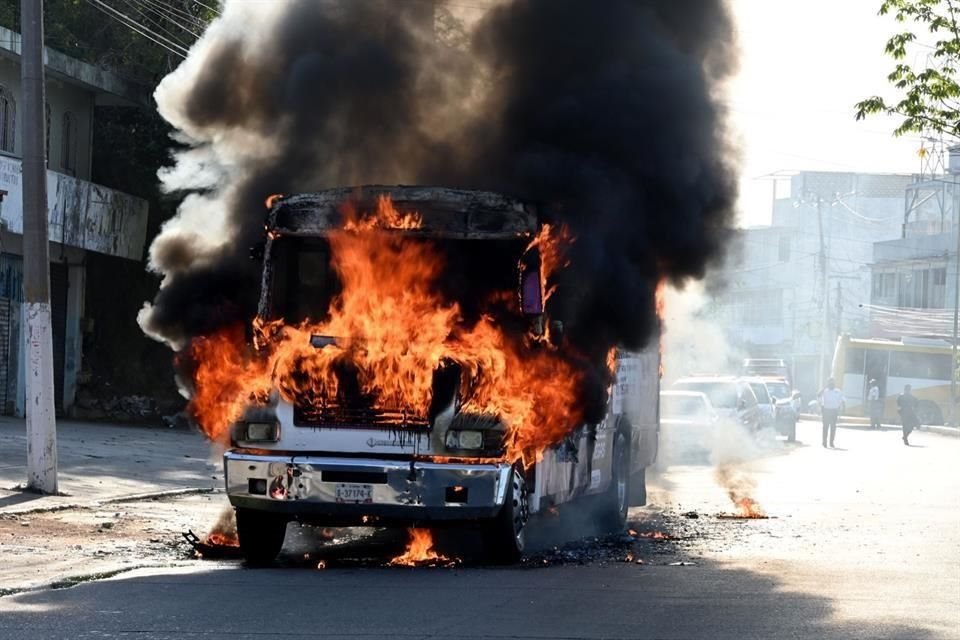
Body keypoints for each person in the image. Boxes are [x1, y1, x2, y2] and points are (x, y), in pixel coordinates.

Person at [819, 378, 845, 448]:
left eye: (832, 383)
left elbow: (842, 401)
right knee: (825, 427)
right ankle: (824, 442)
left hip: (834, 411)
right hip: (826, 411)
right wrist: (824, 388)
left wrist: (842, 410)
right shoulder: (825, 391)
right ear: (827, 384)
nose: (831, 384)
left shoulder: (838, 391)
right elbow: (818, 395)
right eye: (829, 383)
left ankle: (831, 442)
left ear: (834, 384)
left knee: (833, 427)